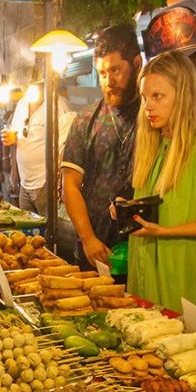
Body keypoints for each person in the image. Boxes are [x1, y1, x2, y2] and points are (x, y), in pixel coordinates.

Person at [121, 50, 196, 313]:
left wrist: (165, 232)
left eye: (158, 97)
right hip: (147, 264)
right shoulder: (154, 143)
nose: (148, 106)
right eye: (144, 97)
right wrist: (129, 208)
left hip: (185, 271)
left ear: (183, 95)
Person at [62, 24, 144, 269]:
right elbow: (70, 184)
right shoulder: (86, 119)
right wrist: (88, 239)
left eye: (116, 70)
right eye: (103, 73)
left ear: (137, 64)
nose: (109, 81)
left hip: (144, 248)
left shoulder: (153, 117)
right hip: (94, 248)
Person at [4, 84, 72, 217]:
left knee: (48, 231)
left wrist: (59, 182)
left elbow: (67, 145)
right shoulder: (22, 104)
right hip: (24, 183)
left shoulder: (59, 105)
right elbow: (15, 136)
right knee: (27, 231)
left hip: (46, 183)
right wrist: (12, 143)